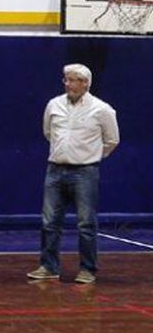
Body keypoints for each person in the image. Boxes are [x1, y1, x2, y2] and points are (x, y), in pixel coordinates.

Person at [27, 63, 120, 285]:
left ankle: (88, 269)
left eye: (72, 80)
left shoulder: (102, 109)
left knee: (86, 223)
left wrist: (91, 156)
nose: (67, 83)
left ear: (85, 83)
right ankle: (49, 266)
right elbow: (48, 132)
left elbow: (112, 140)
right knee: (49, 221)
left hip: (85, 172)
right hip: (55, 170)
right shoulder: (54, 104)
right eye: (66, 79)